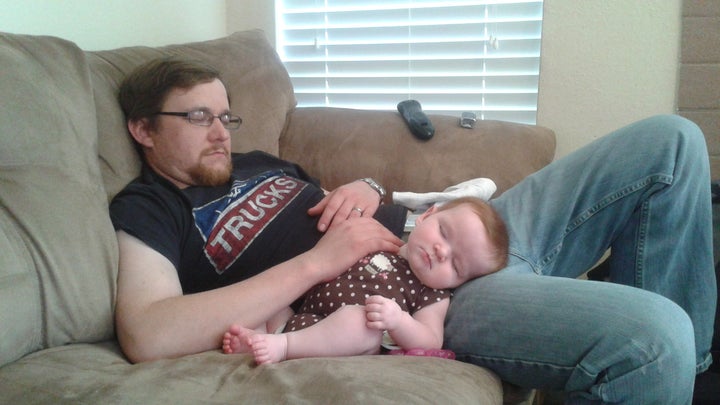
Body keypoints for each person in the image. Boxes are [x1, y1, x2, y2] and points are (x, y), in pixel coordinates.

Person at [110, 57, 717, 404]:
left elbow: (339, 200)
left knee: (672, 141)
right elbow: (148, 331)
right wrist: (319, 263)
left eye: (224, 115)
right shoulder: (151, 209)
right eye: (198, 117)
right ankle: (674, 366)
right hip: (433, 292)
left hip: (456, 235)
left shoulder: (258, 163)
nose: (222, 131)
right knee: (656, 336)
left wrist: (371, 188)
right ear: (142, 129)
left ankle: (692, 376)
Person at [221, 197, 509, 364]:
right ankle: (259, 336)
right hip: (301, 316)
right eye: (444, 233)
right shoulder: (380, 242)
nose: (441, 251)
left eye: (456, 265)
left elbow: (431, 340)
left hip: (344, 340)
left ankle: (281, 346)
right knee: (271, 296)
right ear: (427, 216)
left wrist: (398, 321)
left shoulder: (434, 294)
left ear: (459, 283)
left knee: (362, 323)